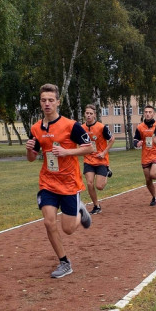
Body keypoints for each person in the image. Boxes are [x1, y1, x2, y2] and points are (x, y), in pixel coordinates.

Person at [25, 84, 95, 278]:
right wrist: (29, 149)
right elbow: (31, 158)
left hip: (69, 183)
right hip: (47, 182)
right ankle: (64, 262)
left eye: (50, 100)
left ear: (58, 102)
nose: (47, 104)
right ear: (40, 103)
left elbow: (89, 148)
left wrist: (66, 152)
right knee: (49, 223)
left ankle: (80, 211)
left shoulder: (71, 126)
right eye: (43, 100)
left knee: (68, 229)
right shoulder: (36, 128)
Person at [81, 104, 114, 214]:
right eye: (87, 113)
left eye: (91, 113)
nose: (88, 115)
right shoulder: (81, 128)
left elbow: (112, 139)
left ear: (94, 115)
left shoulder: (101, 127)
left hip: (101, 160)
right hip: (88, 160)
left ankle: (107, 171)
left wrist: (104, 152)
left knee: (99, 186)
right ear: (84, 114)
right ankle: (96, 206)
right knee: (89, 183)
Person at [133, 105, 156, 206]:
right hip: (145, 155)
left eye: (150, 112)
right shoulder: (140, 127)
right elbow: (135, 139)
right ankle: (154, 198)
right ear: (144, 113)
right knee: (148, 180)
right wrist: (137, 143)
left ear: (153, 113)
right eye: (146, 112)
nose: (147, 114)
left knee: (153, 174)